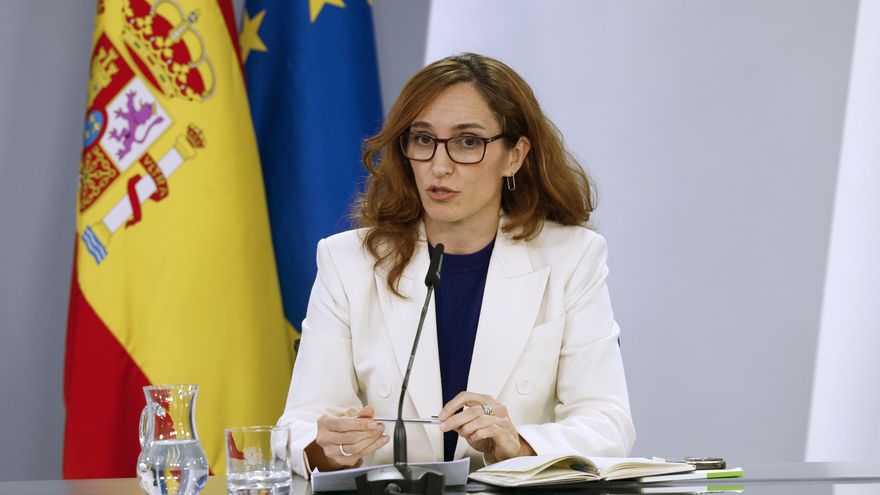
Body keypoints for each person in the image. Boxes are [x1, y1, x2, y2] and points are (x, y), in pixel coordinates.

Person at [275, 53, 635, 477]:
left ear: (514, 155)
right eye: (423, 140)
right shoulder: (349, 261)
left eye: (468, 142)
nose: (439, 166)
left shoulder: (572, 257)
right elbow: (297, 427)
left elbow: (607, 424)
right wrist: (327, 447)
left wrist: (516, 442)